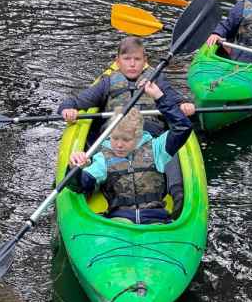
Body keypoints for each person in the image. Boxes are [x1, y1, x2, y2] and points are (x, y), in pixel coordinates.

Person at [68, 80, 191, 224]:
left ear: (138, 137)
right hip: (120, 219)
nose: (119, 145)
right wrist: (75, 169)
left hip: (155, 218)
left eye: (126, 140)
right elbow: (79, 185)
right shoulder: (103, 157)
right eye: (115, 138)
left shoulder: (156, 148)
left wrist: (159, 97)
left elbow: (182, 127)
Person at [58, 36, 195, 136]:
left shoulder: (156, 80)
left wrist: (184, 105)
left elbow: (175, 101)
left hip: (149, 133)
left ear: (144, 61)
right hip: (115, 136)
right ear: (118, 62)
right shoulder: (107, 82)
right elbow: (74, 102)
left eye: (137, 59)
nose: (132, 64)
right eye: (127, 59)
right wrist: (67, 110)